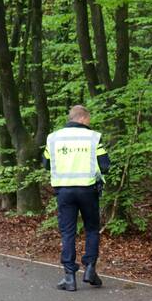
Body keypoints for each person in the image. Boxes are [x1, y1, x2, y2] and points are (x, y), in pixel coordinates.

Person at [43, 105, 110, 291]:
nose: (89, 123)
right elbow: (104, 165)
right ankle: (90, 269)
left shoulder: (53, 138)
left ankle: (69, 277)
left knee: (68, 232)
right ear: (82, 118)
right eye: (88, 120)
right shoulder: (93, 137)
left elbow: (46, 164)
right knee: (91, 229)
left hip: (64, 191)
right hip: (88, 189)